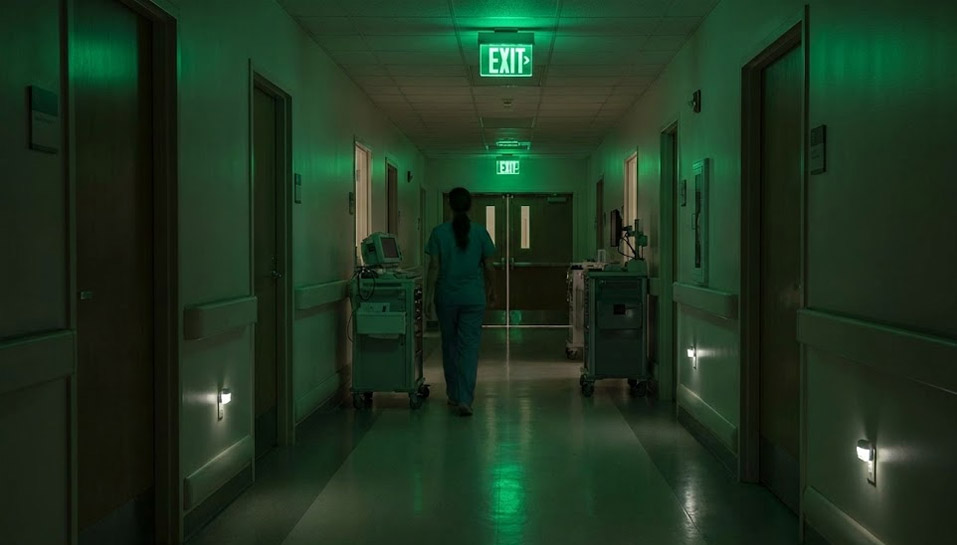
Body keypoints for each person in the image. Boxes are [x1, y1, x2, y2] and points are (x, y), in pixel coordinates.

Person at [425, 187, 497, 417]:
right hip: (473, 298)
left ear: (450, 206)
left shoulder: (438, 233)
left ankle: (454, 395)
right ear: (470, 206)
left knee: (450, 345)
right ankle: (465, 398)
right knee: (469, 348)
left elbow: (434, 267)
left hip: (446, 297)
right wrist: (492, 289)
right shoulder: (480, 232)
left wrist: (427, 297)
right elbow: (488, 266)